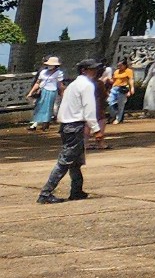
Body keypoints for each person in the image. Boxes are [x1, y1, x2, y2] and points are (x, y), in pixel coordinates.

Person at [37, 59, 101, 203]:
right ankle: (45, 193)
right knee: (65, 162)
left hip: (67, 126)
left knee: (75, 161)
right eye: (92, 69)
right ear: (84, 70)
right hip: (75, 126)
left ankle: (77, 190)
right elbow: (89, 109)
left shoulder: (73, 85)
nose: (95, 71)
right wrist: (96, 129)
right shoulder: (86, 86)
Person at [26, 57, 61, 130]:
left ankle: (45, 123)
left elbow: (60, 85)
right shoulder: (43, 72)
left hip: (52, 92)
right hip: (42, 91)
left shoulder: (59, 73)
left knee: (48, 108)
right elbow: (37, 83)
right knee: (39, 107)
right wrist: (31, 92)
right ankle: (35, 123)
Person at [105, 60, 133, 125]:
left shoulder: (128, 71)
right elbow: (113, 80)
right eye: (118, 65)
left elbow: (130, 80)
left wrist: (131, 89)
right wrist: (107, 79)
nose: (119, 67)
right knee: (109, 102)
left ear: (124, 65)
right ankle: (113, 115)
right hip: (114, 88)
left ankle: (118, 119)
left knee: (121, 105)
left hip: (122, 88)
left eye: (120, 65)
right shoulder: (116, 71)